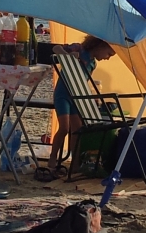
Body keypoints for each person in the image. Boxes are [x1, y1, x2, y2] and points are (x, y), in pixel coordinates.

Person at [43, 35, 117, 177]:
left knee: (78, 131)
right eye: (108, 54)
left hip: (76, 96)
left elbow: (84, 81)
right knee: (64, 128)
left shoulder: (93, 63)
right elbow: (56, 48)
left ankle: (75, 163)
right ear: (101, 46)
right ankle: (52, 158)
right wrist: (68, 57)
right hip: (63, 94)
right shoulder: (79, 48)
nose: (107, 58)